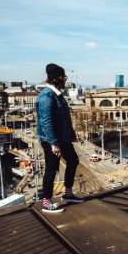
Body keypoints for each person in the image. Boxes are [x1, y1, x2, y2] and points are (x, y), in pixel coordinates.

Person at [36, 63, 83, 213]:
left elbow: (63, 119)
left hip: (63, 139)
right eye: (63, 77)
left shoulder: (56, 94)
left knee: (73, 160)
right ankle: (46, 202)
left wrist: (70, 136)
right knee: (51, 169)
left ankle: (67, 193)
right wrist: (54, 144)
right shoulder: (46, 96)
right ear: (56, 79)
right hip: (52, 140)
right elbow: (47, 122)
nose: (65, 79)